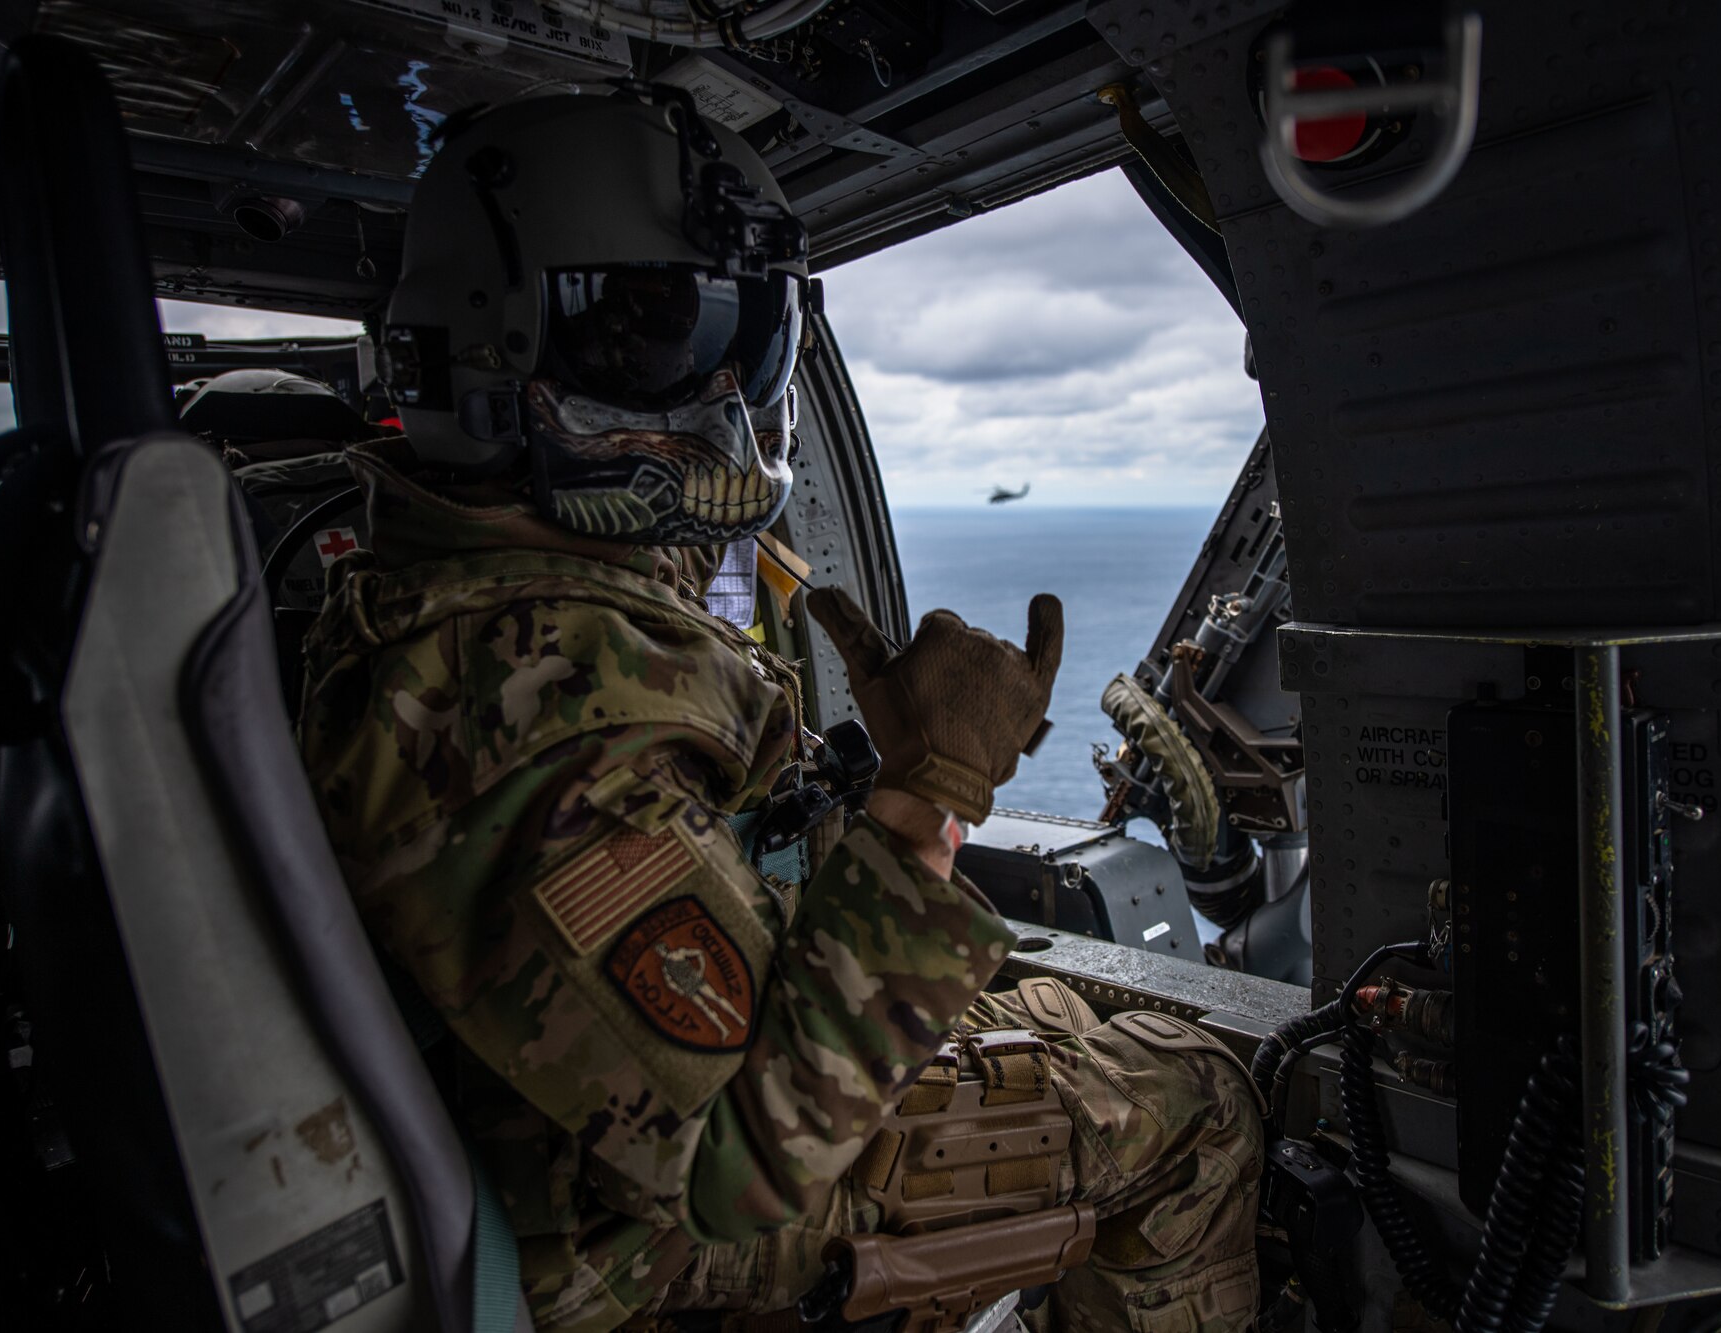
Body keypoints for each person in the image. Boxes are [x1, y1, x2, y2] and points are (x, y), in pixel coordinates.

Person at [296, 87, 1263, 1332]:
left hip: (570, 1139)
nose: (716, 403)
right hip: (621, 1246)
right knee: (1196, 1097)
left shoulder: (453, 596)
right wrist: (930, 797)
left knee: (1066, 1010)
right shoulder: (534, 688)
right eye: (647, 337)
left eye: (743, 342)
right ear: (481, 348)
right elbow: (733, 1165)